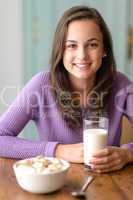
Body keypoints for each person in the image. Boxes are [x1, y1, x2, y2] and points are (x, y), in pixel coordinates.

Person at [0, 5, 133, 173]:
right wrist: (57, 150)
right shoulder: (41, 85)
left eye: (92, 44)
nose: (82, 55)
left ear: (104, 49)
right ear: (61, 50)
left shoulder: (120, 84)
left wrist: (128, 153)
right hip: (55, 184)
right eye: (72, 46)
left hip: (109, 183)